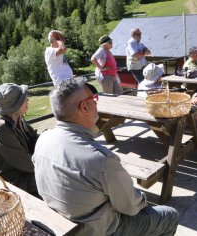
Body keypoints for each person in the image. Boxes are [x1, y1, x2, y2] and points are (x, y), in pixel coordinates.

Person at [32, 78, 179, 235]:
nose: (96, 103)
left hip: (63, 223)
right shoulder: (99, 159)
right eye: (94, 98)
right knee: (169, 215)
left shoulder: (43, 139)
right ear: (84, 107)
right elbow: (131, 207)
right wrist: (143, 200)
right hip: (99, 230)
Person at [0, 83, 39, 195]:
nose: (27, 100)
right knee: (54, 178)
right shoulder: (1, 130)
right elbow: (26, 163)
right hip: (11, 179)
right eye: (24, 99)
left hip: (22, 169)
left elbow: (33, 136)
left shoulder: (16, 117)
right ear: (16, 105)